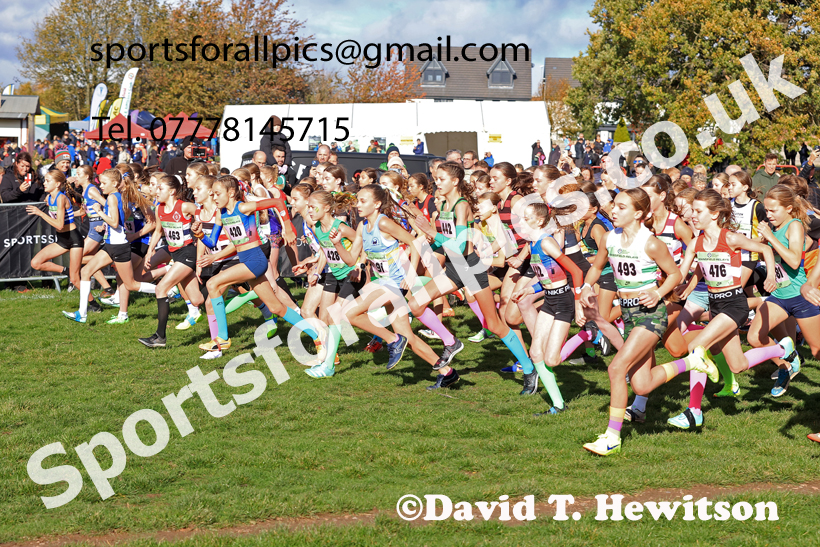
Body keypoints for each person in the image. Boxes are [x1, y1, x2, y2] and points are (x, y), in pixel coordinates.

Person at [579, 188, 683, 456]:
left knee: (616, 368)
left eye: (622, 207)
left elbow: (675, 274)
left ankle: (612, 437)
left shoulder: (651, 243)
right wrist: (586, 287)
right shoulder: (610, 239)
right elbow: (596, 267)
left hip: (650, 313)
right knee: (642, 384)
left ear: (638, 213)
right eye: (614, 205)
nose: (614, 210)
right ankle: (693, 362)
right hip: (627, 312)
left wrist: (658, 293)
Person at [26, 170, 83, 290]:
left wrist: (40, 213)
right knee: (35, 263)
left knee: (75, 279)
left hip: (73, 239)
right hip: (62, 239)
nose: (44, 183)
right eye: (44, 180)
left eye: (48, 181)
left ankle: (93, 304)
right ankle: (65, 270)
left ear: (57, 184)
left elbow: (60, 225)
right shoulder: (49, 197)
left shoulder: (60, 198)